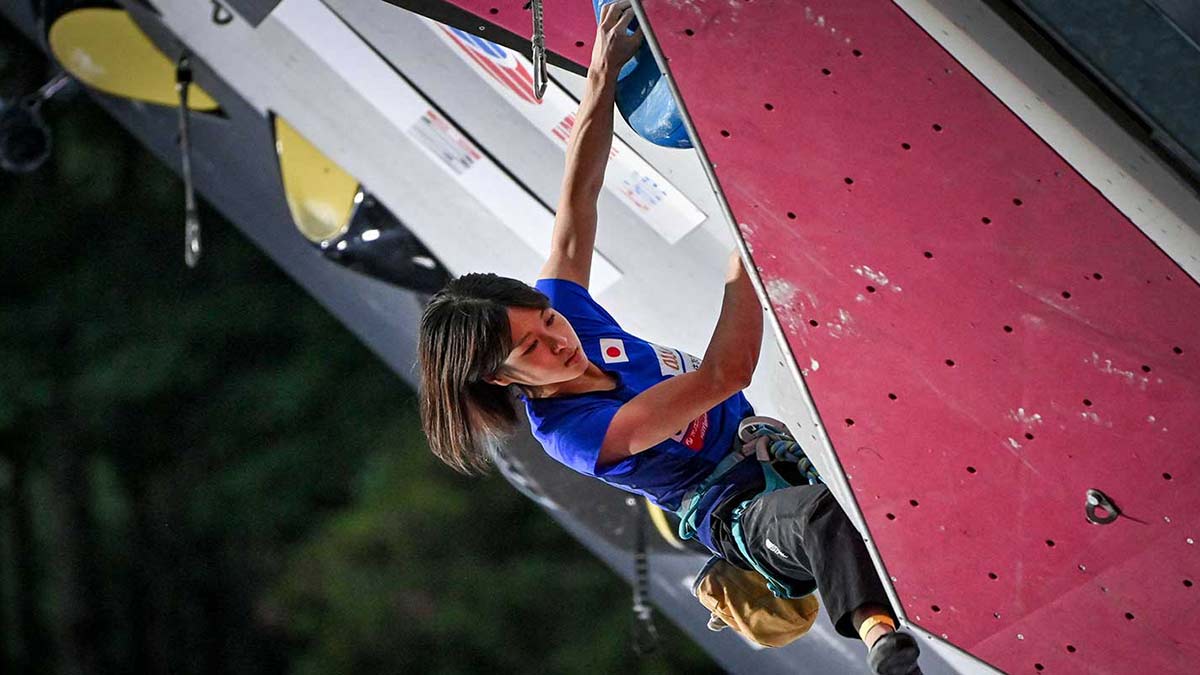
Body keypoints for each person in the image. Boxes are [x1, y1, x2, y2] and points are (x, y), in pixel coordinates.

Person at [417, 2, 921, 673]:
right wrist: (751, 237)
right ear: (502, 379)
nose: (559, 338)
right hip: (736, 511)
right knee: (816, 517)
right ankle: (885, 644)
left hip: (765, 441)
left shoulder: (563, 310)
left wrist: (599, 79)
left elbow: (579, 201)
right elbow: (724, 373)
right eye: (533, 348)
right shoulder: (573, 432)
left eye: (546, 319)